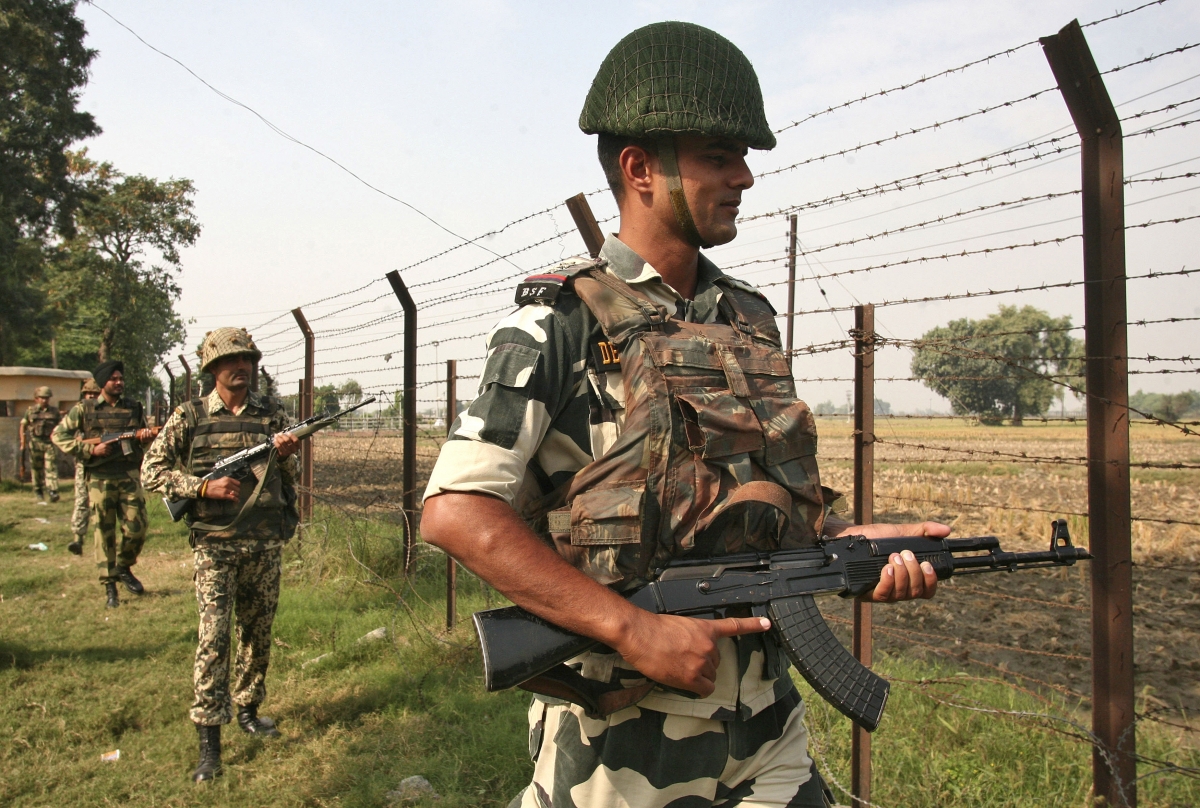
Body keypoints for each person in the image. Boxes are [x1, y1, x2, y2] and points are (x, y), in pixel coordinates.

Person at [421, 21, 950, 808]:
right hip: (623, 754)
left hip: (769, 734)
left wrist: (846, 548)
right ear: (639, 167)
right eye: (717, 156)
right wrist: (635, 630)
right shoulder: (558, 324)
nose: (743, 175)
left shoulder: (749, 319)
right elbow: (456, 513)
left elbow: (749, 506)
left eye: (741, 158)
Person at [141, 327, 301, 783]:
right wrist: (202, 486)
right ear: (211, 368)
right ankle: (209, 739)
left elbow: (286, 472)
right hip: (215, 545)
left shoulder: (271, 414)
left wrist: (287, 453)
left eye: (248, 359)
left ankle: (249, 708)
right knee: (214, 638)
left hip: (264, 541)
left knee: (258, 630)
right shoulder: (189, 415)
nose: (242, 367)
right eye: (232, 360)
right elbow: (151, 470)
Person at [52, 361, 154, 608]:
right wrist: (89, 449)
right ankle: (110, 587)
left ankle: (123, 566)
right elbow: (58, 435)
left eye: (121, 378)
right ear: (102, 383)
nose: (119, 382)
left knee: (137, 528)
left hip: (128, 475)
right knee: (104, 533)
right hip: (100, 478)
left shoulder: (133, 407)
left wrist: (146, 437)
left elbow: (141, 435)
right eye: (113, 379)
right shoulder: (84, 409)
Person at [67, 378, 103, 555]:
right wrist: (82, 445)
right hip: (84, 463)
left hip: (104, 465)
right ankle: (78, 539)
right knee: (82, 500)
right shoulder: (78, 413)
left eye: (95, 394)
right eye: (89, 394)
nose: (91, 397)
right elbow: (68, 439)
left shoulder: (106, 412)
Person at [20, 386, 62, 503]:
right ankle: (38, 490)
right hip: (35, 442)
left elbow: (61, 426)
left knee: (51, 467)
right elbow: (23, 425)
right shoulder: (30, 411)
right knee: (36, 468)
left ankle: (53, 491)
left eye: (47, 398)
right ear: (36, 399)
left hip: (50, 443)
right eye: (42, 398)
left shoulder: (54, 412)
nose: (44, 400)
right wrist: (22, 442)